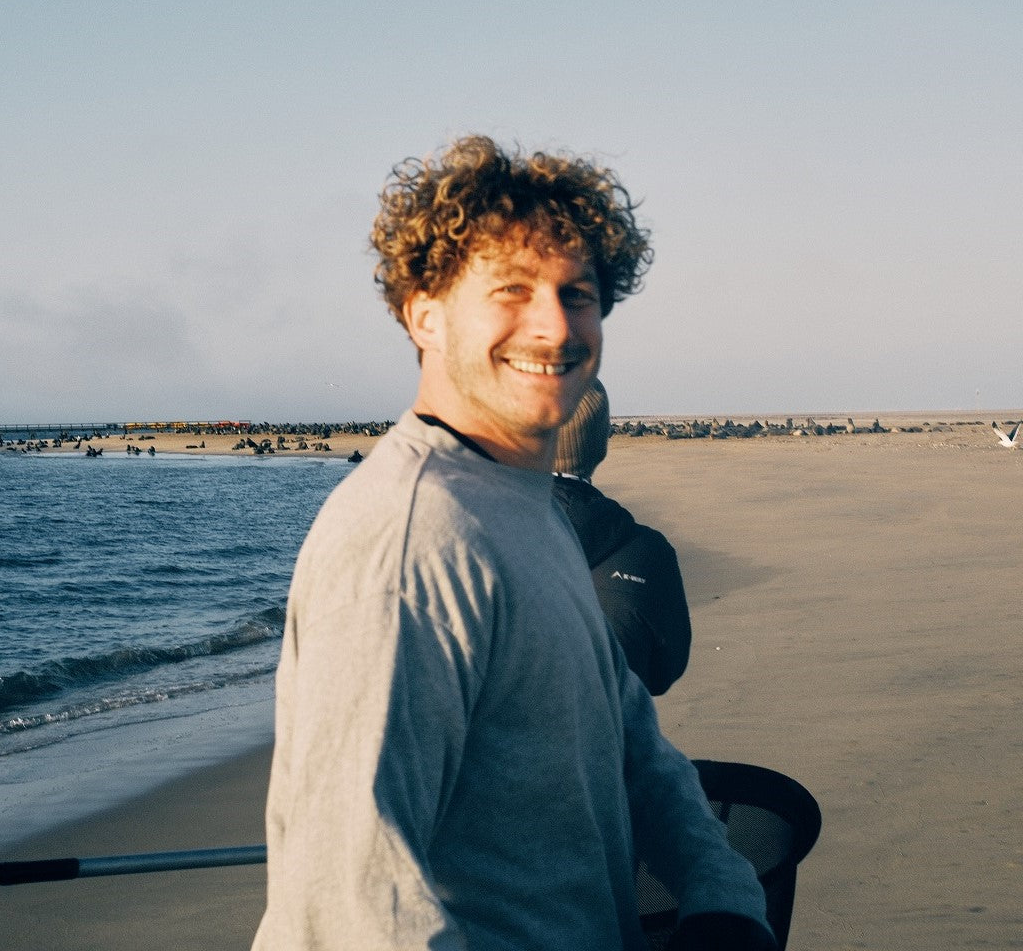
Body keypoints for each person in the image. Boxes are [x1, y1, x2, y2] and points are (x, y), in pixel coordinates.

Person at [253, 136, 775, 950]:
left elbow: (628, 736)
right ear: (422, 313)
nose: (554, 325)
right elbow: (353, 901)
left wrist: (720, 890)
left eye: (579, 293)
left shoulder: (524, 506)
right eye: (512, 289)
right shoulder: (409, 542)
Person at [553, 378, 692, 696]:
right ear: (600, 442)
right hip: (612, 740)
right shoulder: (650, 552)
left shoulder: (471, 540)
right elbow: (664, 672)